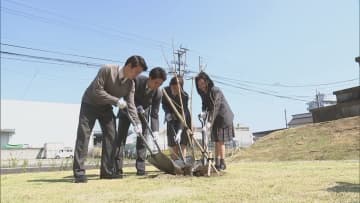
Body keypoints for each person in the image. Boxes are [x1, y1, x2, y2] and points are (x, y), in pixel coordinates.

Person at [73, 55, 147, 183]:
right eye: (137, 72)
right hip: (90, 103)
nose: (137, 75)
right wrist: (116, 100)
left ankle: (107, 171)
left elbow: (131, 105)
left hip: (105, 107)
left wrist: (137, 123)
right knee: (84, 135)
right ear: (129, 66)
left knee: (112, 136)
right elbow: (97, 90)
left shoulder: (130, 84)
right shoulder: (107, 70)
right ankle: (79, 172)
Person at [115, 67, 167, 176]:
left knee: (142, 140)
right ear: (150, 78)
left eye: (160, 84)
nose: (157, 86)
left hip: (143, 114)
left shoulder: (158, 92)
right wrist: (137, 107)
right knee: (121, 139)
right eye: (156, 82)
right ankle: (117, 168)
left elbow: (154, 113)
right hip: (127, 111)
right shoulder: (136, 80)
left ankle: (141, 169)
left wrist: (155, 131)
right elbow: (128, 97)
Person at [195, 71, 234, 170]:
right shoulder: (203, 93)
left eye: (202, 83)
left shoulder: (215, 90)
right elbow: (205, 105)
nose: (201, 86)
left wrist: (209, 122)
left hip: (223, 117)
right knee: (216, 140)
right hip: (214, 119)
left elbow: (215, 107)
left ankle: (222, 163)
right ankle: (217, 163)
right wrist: (203, 113)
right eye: (199, 85)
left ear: (207, 81)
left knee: (220, 141)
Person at [162, 76, 192, 160]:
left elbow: (183, 114)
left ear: (181, 87)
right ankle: (175, 163)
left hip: (183, 119)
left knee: (182, 141)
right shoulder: (165, 91)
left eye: (176, 89)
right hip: (170, 117)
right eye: (173, 88)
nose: (174, 91)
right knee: (172, 141)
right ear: (170, 86)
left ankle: (183, 161)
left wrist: (179, 131)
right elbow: (164, 104)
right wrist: (167, 113)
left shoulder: (184, 96)